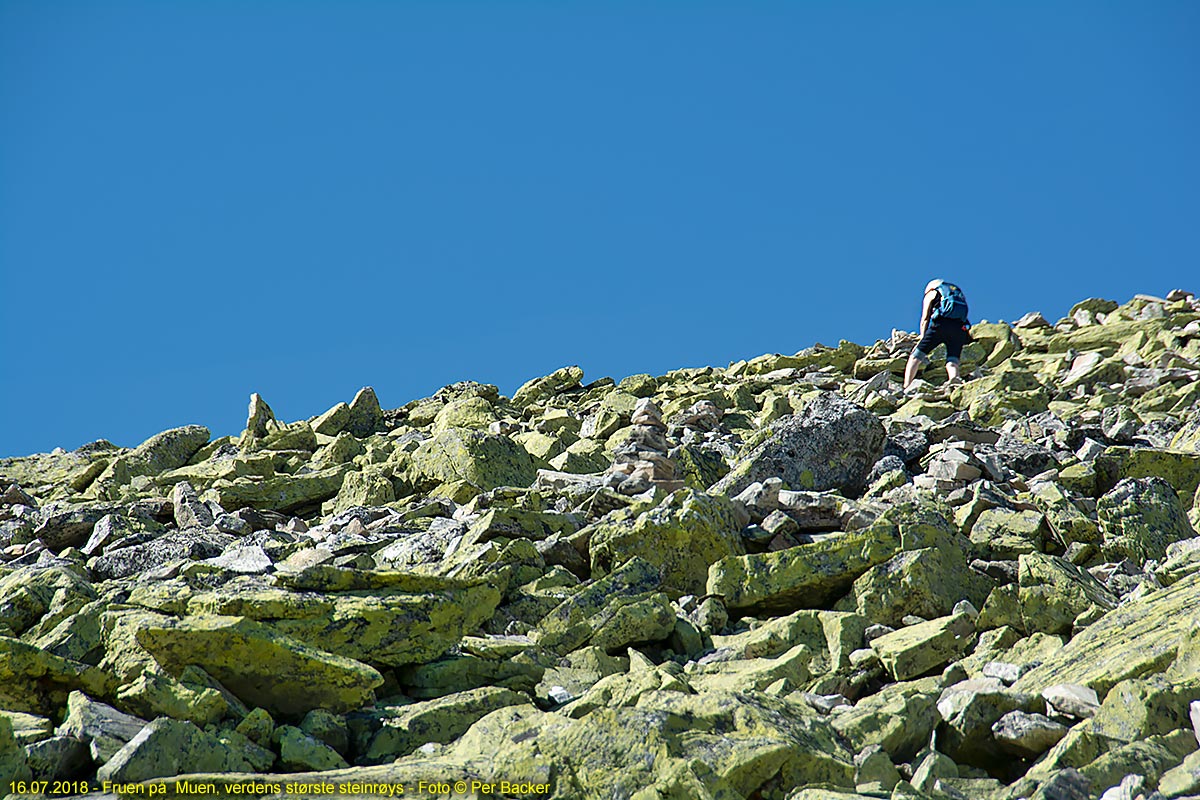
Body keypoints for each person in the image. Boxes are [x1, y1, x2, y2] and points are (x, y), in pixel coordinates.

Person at [904, 279, 970, 389]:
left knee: (915, 356)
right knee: (952, 361)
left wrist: (923, 337)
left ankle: (906, 386)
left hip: (940, 325)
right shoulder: (956, 294)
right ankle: (955, 383)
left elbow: (925, 318)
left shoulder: (933, 292)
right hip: (959, 329)